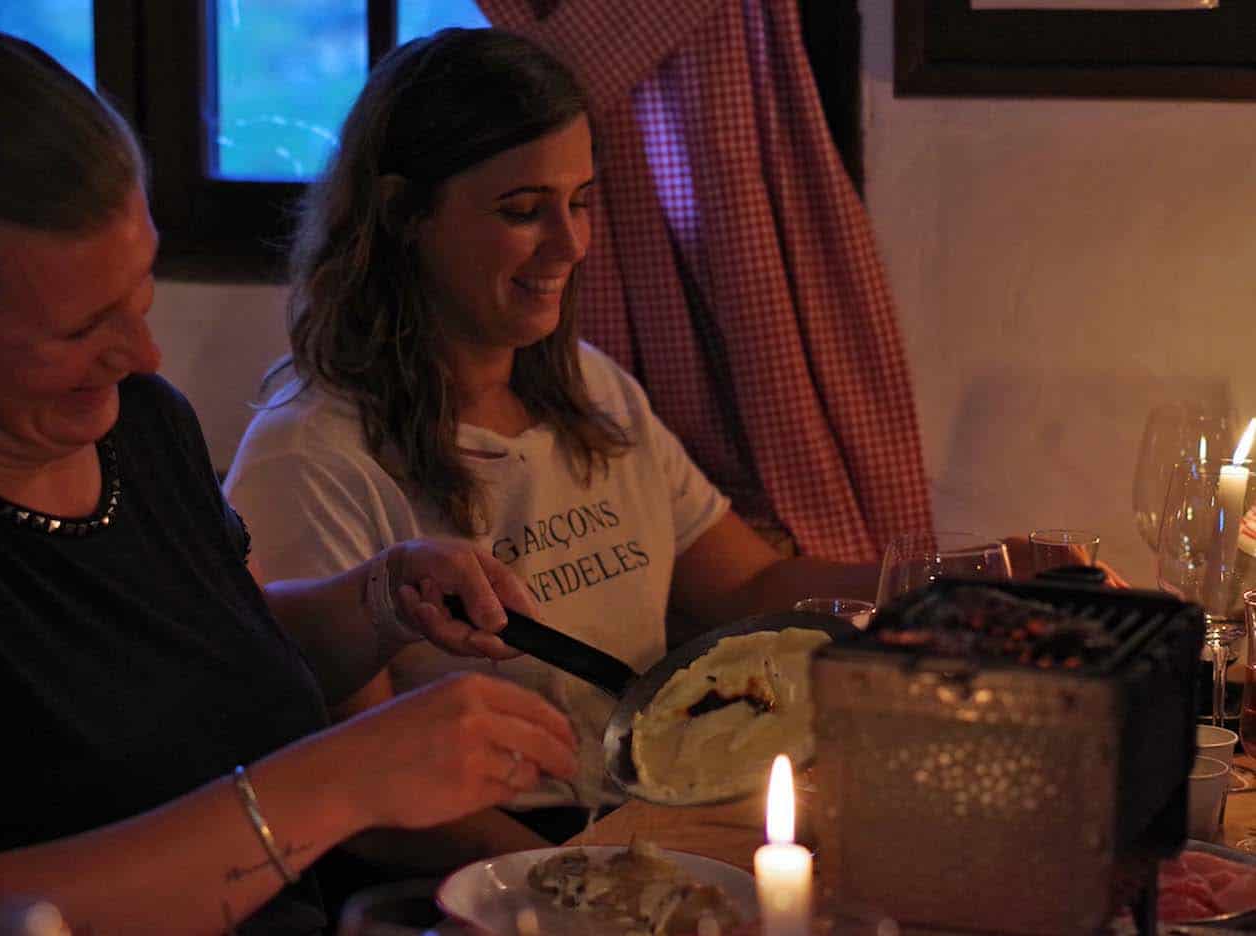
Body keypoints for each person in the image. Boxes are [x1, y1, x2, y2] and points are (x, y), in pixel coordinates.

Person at [0, 29, 580, 936]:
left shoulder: (142, 424)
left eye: (142, 293)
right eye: (83, 329)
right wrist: (344, 779)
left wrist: (378, 602)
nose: (143, 354)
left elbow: (220, 659)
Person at [223, 27, 881, 847]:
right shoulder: (311, 455)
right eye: (523, 211)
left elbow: (749, 592)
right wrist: (576, 884)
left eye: (581, 201)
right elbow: (360, 788)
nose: (571, 244)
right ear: (402, 214)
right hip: (492, 871)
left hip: (648, 821)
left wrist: (950, 593)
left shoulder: (594, 390)